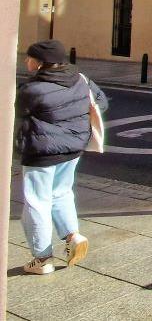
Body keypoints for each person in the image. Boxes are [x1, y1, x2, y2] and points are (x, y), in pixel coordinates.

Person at [16, 39, 105, 275]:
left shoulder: (32, 89)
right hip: (73, 149)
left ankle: (42, 258)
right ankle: (72, 236)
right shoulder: (80, 79)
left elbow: (15, 112)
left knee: (37, 201)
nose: (26, 60)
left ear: (40, 62)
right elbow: (101, 103)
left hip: (41, 152)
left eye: (29, 57)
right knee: (61, 192)